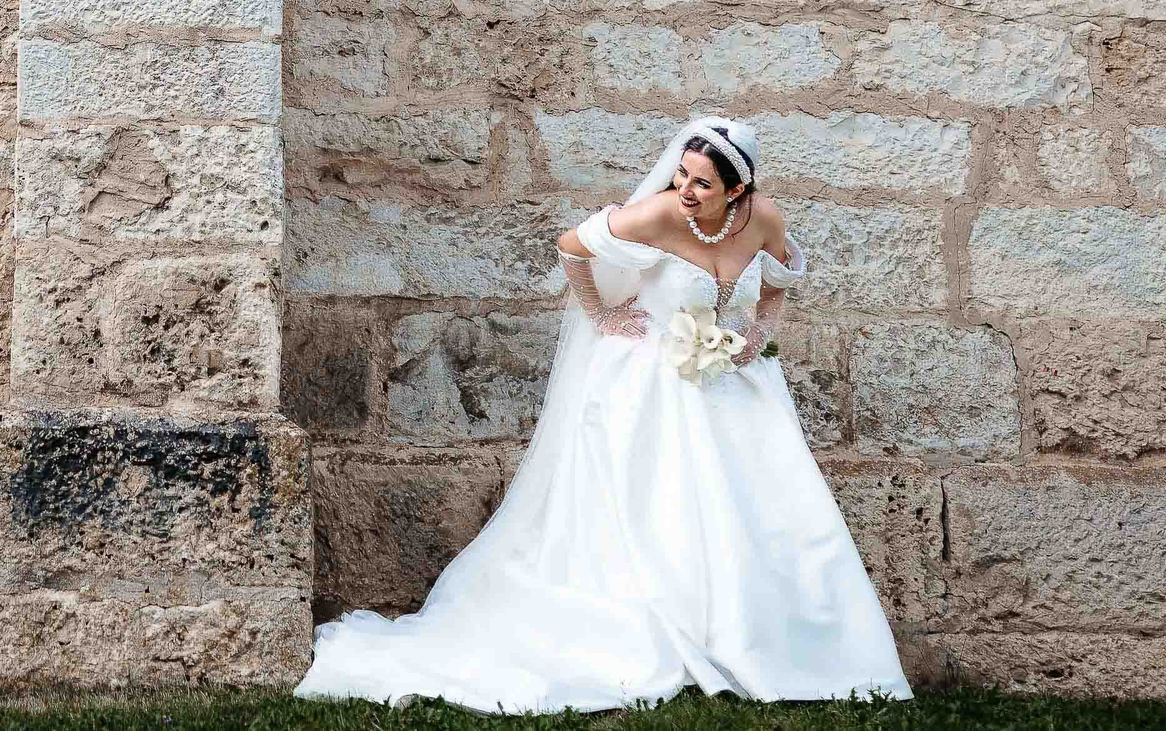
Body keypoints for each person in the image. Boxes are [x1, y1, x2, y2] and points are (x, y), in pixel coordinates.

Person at [294, 116, 911, 712]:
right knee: (661, 504)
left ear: (738, 189)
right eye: (681, 175)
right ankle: (667, 625)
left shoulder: (763, 219)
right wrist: (604, 317)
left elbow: (774, 286)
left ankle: (761, 639)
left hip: (734, 385)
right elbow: (573, 248)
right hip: (654, 384)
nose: (686, 191)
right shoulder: (658, 215)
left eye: (702, 182)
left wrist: (756, 335)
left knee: (764, 507)